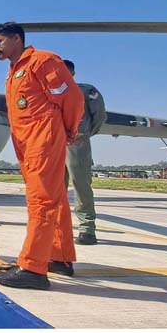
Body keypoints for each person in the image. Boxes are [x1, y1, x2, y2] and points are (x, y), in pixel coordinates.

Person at [0, 22, 84, 290]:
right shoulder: (14, 72)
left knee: (41, 201)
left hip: (43, 138)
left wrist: (68, 129)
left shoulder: (43, 61)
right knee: (55, 199)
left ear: (17, 39)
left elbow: (73, 99)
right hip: (28, 142)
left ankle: (33, 268)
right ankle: (59, 256)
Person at [63, 59, 107, 245]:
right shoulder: (49, 92)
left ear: (72, 73)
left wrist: (83, 135)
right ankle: (59, 227)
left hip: (76, 144)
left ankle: (87, 227)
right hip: (54, 144)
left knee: (80, 185)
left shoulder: (86, 91)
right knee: (55, 188)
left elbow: (99, 117)